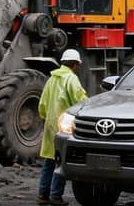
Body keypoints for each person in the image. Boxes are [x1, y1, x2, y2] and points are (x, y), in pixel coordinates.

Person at [38, 49, 88, 206]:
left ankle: (43, 195)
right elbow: (81, 102)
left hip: (49, 125)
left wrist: (46, 118)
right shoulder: (71, 79)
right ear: (75, 64)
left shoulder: (51, 79)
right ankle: (55, 196)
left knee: (49, 161)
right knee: (61, 162)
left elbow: (42, 105)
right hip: (63, 126)